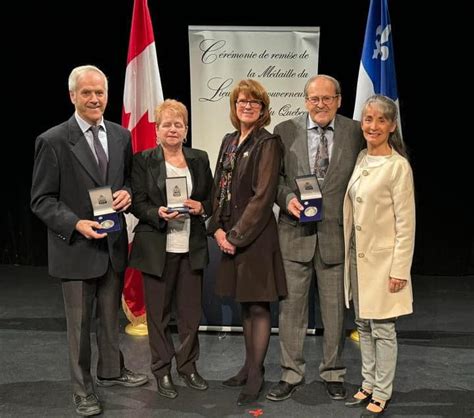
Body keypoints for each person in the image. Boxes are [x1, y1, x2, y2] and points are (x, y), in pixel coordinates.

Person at [30, 65, 148, 417]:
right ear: (73, 96)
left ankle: (111, 370)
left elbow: (127, 178)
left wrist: (127, 193)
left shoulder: (120, 135)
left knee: (110, 318)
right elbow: (41, 200)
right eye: (87, 93)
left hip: (111, 246)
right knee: (80, 328)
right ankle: (83, 390)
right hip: (76, 248)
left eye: (100, 92)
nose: (95, 98)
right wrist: (75, 223)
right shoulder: (52, 141)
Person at [267, 74, 365, 402]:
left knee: (335, 311)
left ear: (338, 99)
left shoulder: (355, 132)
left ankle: (333, 372)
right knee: (291, 310)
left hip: (336, 236)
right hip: (294, 235)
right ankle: (291, 374)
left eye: (327, 98)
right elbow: (275, 180)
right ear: (305, 101)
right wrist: (285, 199)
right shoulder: (284, 131)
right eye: (314, 99)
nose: (320, 105)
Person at [208, 79, 287, 406]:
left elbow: (263, 196)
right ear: (234, 106)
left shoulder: (268, 143)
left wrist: (236, 237)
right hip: (229, 235)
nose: (247, 106)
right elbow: (218, 189)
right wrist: (216, 229)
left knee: (258, 304)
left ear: (263, 108)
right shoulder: (228, 140)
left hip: (254, 237)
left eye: (254, 102)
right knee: (244, 302)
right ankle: (248, 365)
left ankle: (256, 374)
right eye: (242, 101)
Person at [128, 99, 213, 399]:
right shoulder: (142, 160)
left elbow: (212, 200)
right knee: (159, 316)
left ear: (186, 130)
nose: (173, 129)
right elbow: (137, 202)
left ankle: (188, 366)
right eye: (167, 124)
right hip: (156, 248)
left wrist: (202, 206)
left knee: (190, 315)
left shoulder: (199, 158)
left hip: (191, 247)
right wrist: (157, 213)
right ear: (157, 130)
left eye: (179, 124)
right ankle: (162, 369)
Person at [343, 95, 415, 416]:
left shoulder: (397, 166)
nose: (373, 126)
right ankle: (368, 382)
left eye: (380, 120)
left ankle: (382, 391)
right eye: (368, 119)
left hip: (385, 264)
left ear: (392, 126)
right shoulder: (361, 157)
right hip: (358, 259)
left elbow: (406, 223)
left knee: (383, 329)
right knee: (364, 324)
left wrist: (400, 268)